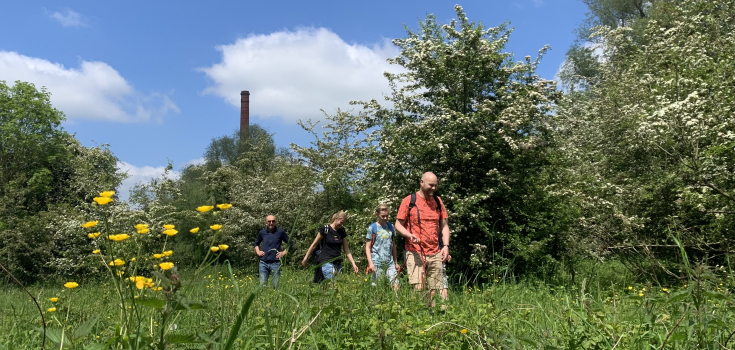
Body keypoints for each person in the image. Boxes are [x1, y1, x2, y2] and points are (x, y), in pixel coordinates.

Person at [395, 172, 450, 306]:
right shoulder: (409, 200)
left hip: (435, 251)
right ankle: (416, 314)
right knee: (418, 287)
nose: (433, 188)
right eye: (431, 185)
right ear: (421, 182)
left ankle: (432, 316)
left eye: (435, 186)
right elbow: (398, 225)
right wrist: (409, 235)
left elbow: (444, 226)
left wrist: (446, 246)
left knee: (434, 288)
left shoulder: (438, 201)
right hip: (414, 251)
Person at [302, 211, 359, 282]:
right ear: (336, 218)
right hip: (326, 260)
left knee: (337, 285)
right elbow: (314, 245)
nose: (342, 225)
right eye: (341, 222)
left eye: (343, 223)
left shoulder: (341, 231)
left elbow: (346, 249)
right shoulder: (325, 229)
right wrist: (305, 259)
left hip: (337, 262)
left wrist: (353, 264)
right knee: (333, 283)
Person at [365, 204, 400, 290]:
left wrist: (396, 262)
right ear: (377, 215)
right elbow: (367, 247)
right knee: (378, 287)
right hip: (377, 262)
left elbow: (393, 245)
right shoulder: (372, 228)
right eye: (383, 216)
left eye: (387, 216)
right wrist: (370, 263)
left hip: (389, 262)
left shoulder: (390, 226)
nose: (385, 218)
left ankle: (397, 301)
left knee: (395, 284)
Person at [254, 215, 290, 287]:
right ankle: (263, 298)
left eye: (273, 221)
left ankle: (276, 298)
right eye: (269, 221)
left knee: (276, 286)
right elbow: (256, 243)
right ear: (266, 223)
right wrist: (258, 251)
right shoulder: (262, 232)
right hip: (263, 262)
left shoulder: (280, 232)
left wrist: (283, 252)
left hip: (275, 263)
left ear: (275, 222)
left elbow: (290, 243)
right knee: (262, 286)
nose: (271, 223)